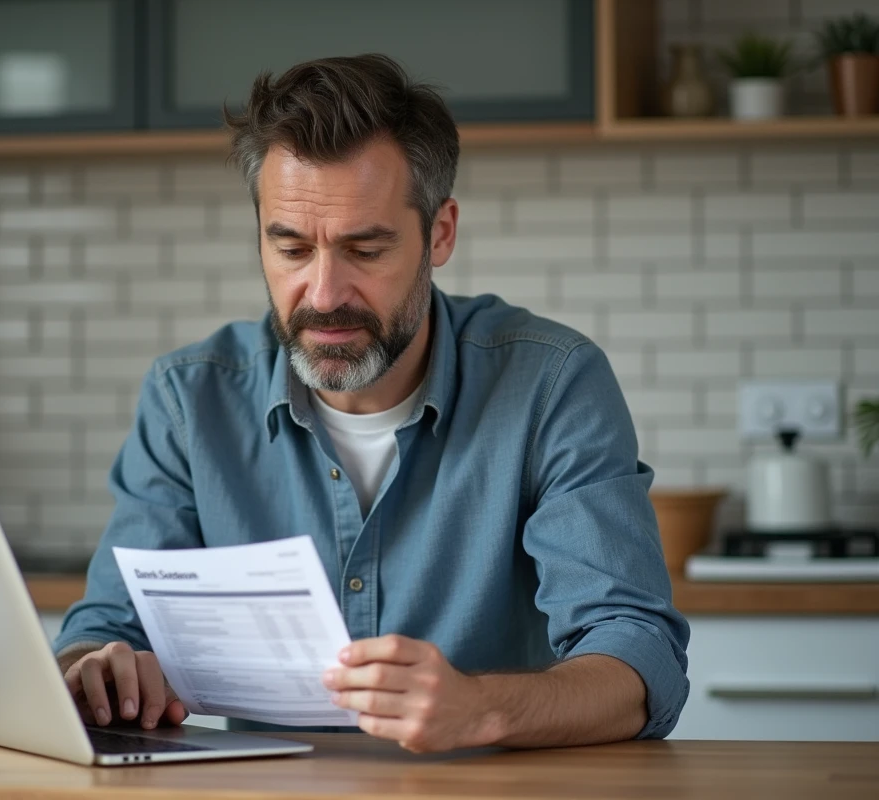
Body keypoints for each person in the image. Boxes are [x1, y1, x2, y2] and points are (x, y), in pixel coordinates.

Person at [53, 54, 689, 753]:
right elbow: (105, 630)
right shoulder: (188, 400)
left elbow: (638, 659)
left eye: (365, 249)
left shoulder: (552, 384)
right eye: (292, 249)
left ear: (439, 234)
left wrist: (481, 709)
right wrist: (94, 670)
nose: (324, 295)